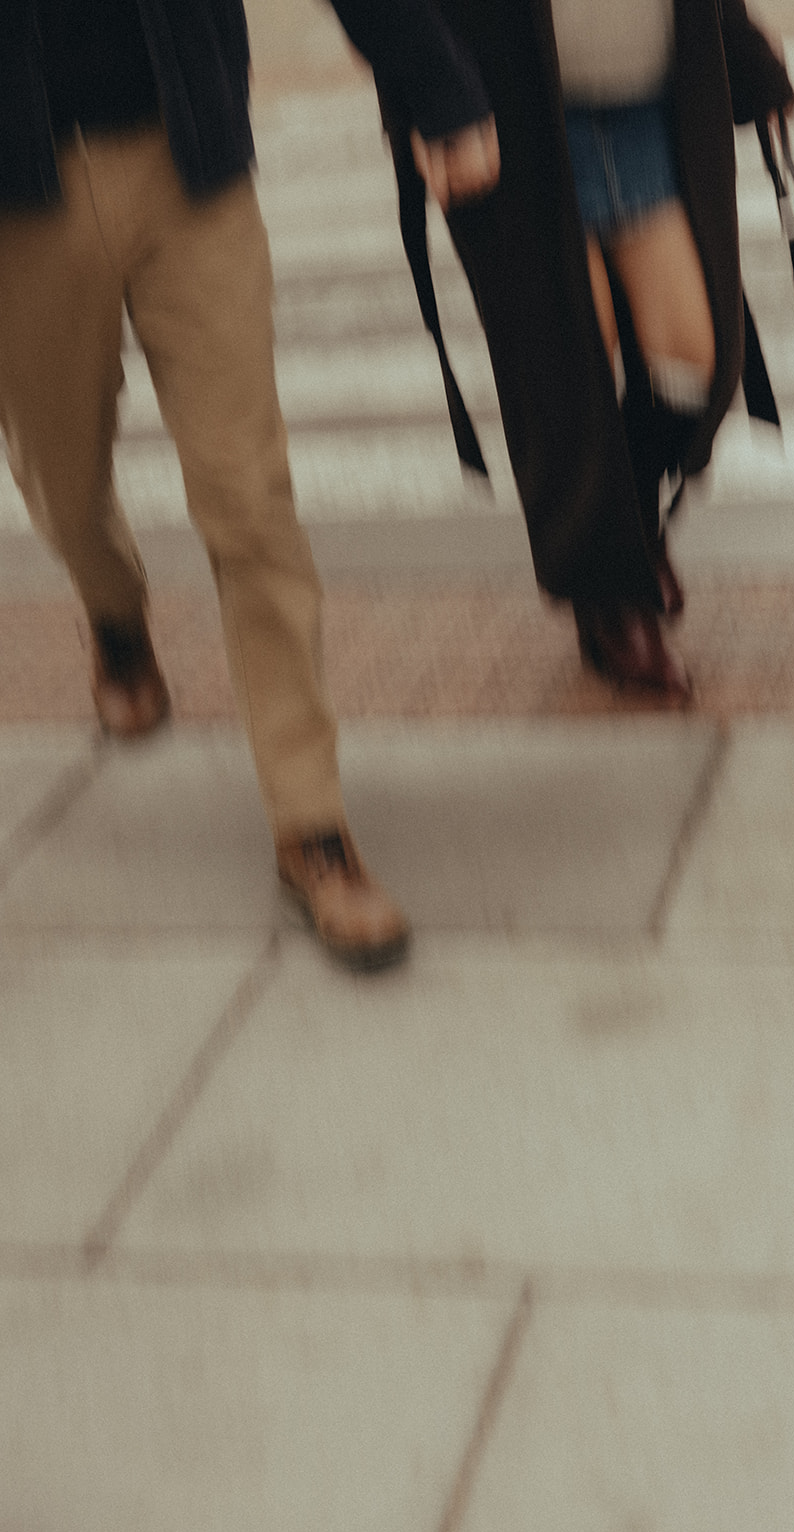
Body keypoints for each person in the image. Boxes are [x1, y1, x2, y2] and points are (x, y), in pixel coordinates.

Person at [0, 0, 499, 970]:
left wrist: (432, 81)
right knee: (63, 488)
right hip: (18, 197)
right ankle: (114, 614)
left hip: (188, 163)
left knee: (249, 499)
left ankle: (310, 824)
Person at [377, 0, 793, 702]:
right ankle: (610, 597)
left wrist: (745, 54)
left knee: (696, 364)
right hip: (507, 110)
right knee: (572, 373)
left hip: (643, 108)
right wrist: (420, 98)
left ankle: (619, 533)